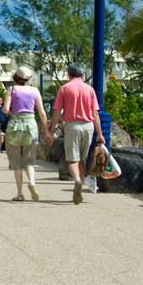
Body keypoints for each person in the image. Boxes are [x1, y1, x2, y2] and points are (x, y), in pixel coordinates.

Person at [48, 63, 106, 204]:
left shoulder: (65, 88)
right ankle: (79, 182)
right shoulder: (90, 90)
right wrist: (100, 133)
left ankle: (77, 180)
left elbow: (56, 111)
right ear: (82, 75)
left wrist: (51, 130)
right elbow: (95, 113)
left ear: (69, 74)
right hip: (88, 126)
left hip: (72, 125)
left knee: (72, 159)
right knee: (82, 159)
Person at [2, 66, 52, 201]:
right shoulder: (34, 91)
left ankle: (19, 193)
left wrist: (12, 112)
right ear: (29, 78)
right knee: (29, 160)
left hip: (15, 126)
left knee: (16, 163)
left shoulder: (12, 90)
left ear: (15, 77)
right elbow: (42, 112)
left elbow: (5, 109)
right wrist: (47, 131)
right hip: (31, 126)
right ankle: (32, 182)